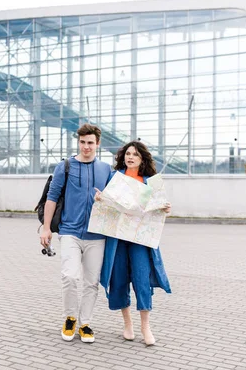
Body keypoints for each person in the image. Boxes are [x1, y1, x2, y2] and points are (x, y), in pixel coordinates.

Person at [40, 123, 112, 343]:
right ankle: (70, 318)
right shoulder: (65, 166)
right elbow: (52, 197)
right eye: (82, 142)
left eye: (90, 143)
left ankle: (86, 323)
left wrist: (105, 199)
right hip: (70, 231)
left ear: (98, 144)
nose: (86, 147)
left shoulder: (106, 169)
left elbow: (117, 201)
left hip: (96, 235)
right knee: (70, 276)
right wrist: (45, 227)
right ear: (78, 142)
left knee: (91, 282)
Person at [95, 141, 172, 346]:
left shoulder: (151, 182)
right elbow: (107, 204)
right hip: (118, 238)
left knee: (142, 279)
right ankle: (127, 324)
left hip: (140, 239)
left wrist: (165, 208)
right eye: (128, 153)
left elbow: (158, 209)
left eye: (135, 155)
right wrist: (100, 199)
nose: (130, 157)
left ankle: (145, 326)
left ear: (142, 159)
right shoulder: (114, 178)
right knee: (119, 279)